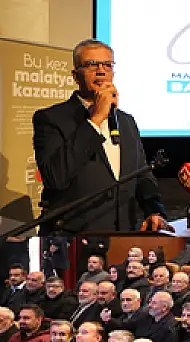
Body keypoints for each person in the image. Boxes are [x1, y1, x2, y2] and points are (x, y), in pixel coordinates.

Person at [33, 39, 167, 233]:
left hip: (123, 237)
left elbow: (142, 174)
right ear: (75, 76)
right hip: (73, 239)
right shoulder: (51, 119)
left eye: (107, 65)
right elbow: (56, 177)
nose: (101, 70)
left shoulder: (127, 122)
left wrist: (154, 211)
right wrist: (95, 120)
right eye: (91, 65)